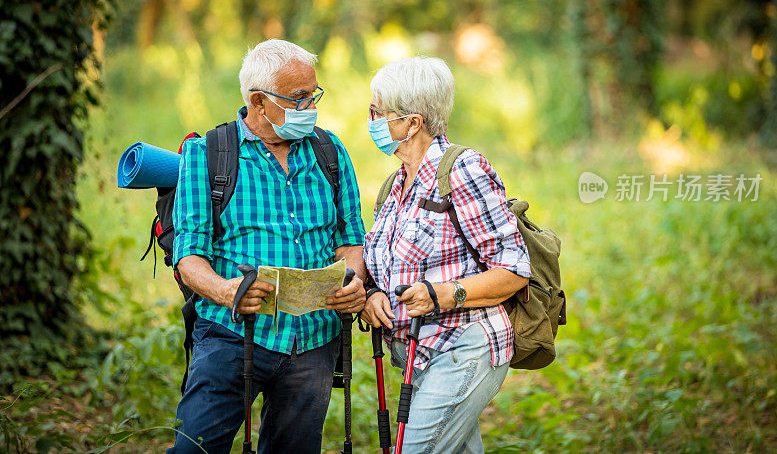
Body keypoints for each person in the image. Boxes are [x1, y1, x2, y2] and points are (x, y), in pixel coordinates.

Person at [168, 39, 368, 453]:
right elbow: (189, 256)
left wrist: (353, 280)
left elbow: (350, 240)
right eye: (299, 98)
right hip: (231, 334)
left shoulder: (330, 152)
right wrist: (228, 292)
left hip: (313, 338)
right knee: (196, 448)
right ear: (259, 101)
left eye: (315, 95)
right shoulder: (207, 154)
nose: (311, 106)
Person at [360, 56, 532, 453]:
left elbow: (514, 268)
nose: (371, 120)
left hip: (462, 347)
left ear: (412, 122)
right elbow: (381, 268)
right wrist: (372, 295)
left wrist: (440, 293)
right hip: (413, 356)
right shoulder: (394, 186)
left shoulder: (461, 170)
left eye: (378, 112)